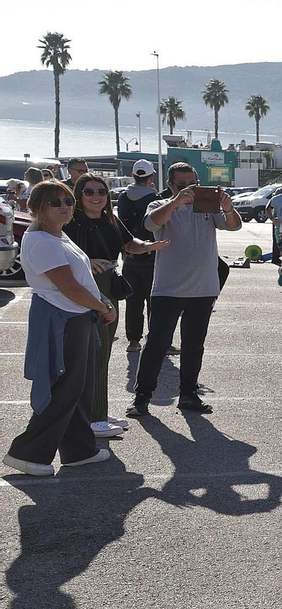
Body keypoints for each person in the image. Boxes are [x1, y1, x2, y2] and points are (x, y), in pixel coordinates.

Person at [4, 181, 118, 476]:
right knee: (63, 389)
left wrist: (100, 300)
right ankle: (27, 453)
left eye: (68, 201)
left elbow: (80, 280)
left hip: (75, 315)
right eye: (55, 203)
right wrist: (102, 307)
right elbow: (68, 287)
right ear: (37, 207)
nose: (65, 206)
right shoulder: (42, 239)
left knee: (78, 387)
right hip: (62, 317)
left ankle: (79, 451)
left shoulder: (58, 235)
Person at [127, 163, 241, 418]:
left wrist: (228, 207)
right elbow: (150, 225)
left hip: (203, 289)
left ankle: (188, 394)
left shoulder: (207, 206)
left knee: (194, 345)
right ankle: (142, 397)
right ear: (170, 186)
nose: (190, 189)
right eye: (183, 185)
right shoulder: (160, 205)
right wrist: (177, 201)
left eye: (194, 183)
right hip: (168, 289)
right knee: (157, 343)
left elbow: (233, 225)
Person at [64, 175, 163, 438]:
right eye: (89, 192)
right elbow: (61, 255)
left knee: (103, 353)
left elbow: (129, 244)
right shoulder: (70, 222)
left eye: (102, 191)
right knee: (92, 354)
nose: (96, 196)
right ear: (78, 194)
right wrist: (87, 260)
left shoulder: (110, 219)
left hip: (109, 285)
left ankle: (97, 412)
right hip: (86, 287)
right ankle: (92, 419)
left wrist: (150, 246)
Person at [116, 159, 161, 351]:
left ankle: (133, 340)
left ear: (133, 176)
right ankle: (157, 339)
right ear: (151, 177)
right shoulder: (156, 198)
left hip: (129, 253)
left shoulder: (123, 197)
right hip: (152, 253)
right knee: (155, 301)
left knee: (133, 301)